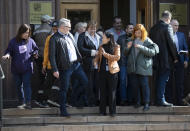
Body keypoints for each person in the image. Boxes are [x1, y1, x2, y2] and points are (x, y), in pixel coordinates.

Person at [49, 18, 88, 117]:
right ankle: (63, 110)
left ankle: (75, 101)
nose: (70, 29)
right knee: (64, 89)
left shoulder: (70, 35)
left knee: (85, 82)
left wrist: (80, 60)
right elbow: (52, 56)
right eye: (68, 27)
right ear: (62, 27)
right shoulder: (54, 38)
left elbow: (74, 49)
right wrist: (55, 69)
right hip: (65, 67)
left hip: (76, 65)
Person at [2, 24, 38, 109]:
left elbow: (36, 49)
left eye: (28, 33)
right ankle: (21, 102)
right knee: (18, 85)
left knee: (26, 84)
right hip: (16, 68)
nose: (27, 34)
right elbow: (8, 51)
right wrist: (7, 55)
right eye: (25, 33)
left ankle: (28, 103)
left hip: (27, 68)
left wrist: (35, 54)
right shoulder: (13, 41)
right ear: (20, 32)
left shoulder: (31, 41)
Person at [125, 24, 159, 111]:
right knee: (134, 85)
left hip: (143, 66)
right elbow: (125, 53)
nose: (137, 34)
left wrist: (142, 47)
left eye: (139, 32)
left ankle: (146, 103)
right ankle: (137, 102)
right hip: (133, 67)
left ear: (143, 32)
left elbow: (153, 52)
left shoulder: (147, 40)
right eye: (136, 32)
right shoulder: (131, 40)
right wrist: (128, 48)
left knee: (144, 85)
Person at [149, 10, 178, 106]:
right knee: (163, 78)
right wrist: (176, 57)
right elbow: (171, 43)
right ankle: (160, 100)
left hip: (154, 58)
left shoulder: (152, 28)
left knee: (156, 79)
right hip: (165, 59)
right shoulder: (167, 27)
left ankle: (155, 100)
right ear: (168, 19)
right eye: (170, 20)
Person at [94, 32, 120, 117]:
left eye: (104, 38)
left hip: (112, 72)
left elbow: (117, 57)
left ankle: (112, 112)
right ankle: (102, 111)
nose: (102, 39)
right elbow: (98, 57)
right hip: (102, 72)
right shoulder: (101, 47)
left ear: (108, 39)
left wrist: (105, 54)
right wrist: (95, 61)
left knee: (112, 92)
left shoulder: (116, 46)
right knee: (102, 92)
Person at [77, 20, 102, 106]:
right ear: (87, 28)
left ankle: (96, 101)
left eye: (94, 29)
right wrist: (92, 52)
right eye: (91, 29)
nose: (93, 30)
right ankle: (89, 102)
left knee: (97, 83)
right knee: (89, 83)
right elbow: (80, 48)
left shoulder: (99, 36)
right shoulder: (82, 36)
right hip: (88, 63)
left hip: (98, 63)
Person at [165, 19, 189, 105]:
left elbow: (186, 49)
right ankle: (169, 100)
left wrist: (186, 60)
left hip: (180, 61)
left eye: (177, 25)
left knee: (180, 82)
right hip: (170, 62)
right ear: (170, 26)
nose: (177, 27)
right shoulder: (167, 35)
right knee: (169, 82)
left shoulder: (181, 35)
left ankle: (180, 100)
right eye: (175, 25)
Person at [32, 14, 54, 106]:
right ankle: (46, 99)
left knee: (41, 77)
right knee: (48, 78)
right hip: (47, 56)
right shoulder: (50, 30)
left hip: (38, 56)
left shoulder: (36, 31)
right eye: (50, 20)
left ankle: (38, 98)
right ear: (48, 21)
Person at [42, 21, 60, 107]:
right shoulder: (49, 38)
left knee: (56, 85)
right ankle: (46, 101)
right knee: (49, 84)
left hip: (60, 66)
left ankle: (54, 100)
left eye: (57, 29)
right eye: (54, 29)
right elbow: (46, 53)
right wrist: (44, 65)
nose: (55, 30)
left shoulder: (63, 37)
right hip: (50, 66)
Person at [117, 23, 134, 106]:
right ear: (126, 30)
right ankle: (123, 99)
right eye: (130, 28)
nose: (132, 29)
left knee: (131, 82)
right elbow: (116, 50)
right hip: (122, 63)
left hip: (132, 63)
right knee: (122, 81)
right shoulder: (120, 38)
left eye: (132, 28)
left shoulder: (135, 39)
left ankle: (130, 99)